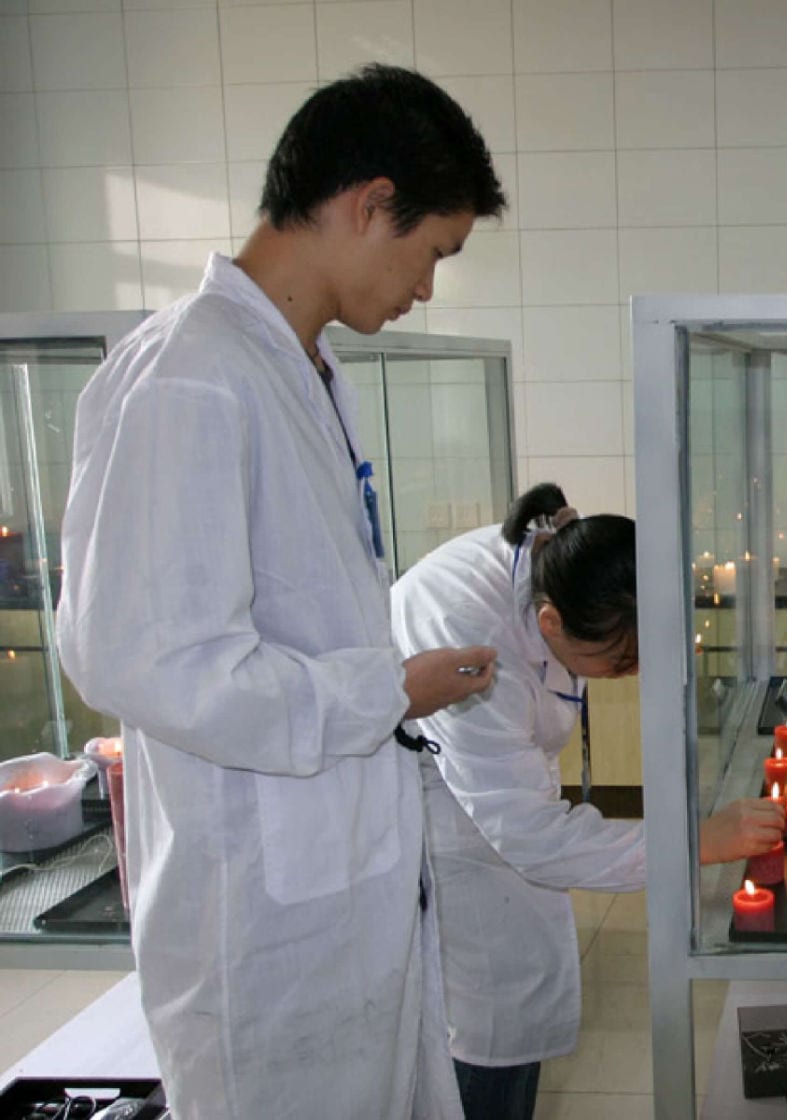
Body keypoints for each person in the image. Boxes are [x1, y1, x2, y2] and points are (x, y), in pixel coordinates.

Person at [55, 65, 507, 1120]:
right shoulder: (190, 375)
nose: (427, 288)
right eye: (432, 252)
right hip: (259, 927)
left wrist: (388, 689)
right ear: (367, 205)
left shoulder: (302, 368)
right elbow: (149, 661)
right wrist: (385, 691)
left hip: (343, 892)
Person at [389, 483, 785, 1120]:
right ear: (551, 624)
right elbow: (530, 836)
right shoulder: (465, 628)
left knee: (518, 997)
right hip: (433, 811)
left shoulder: (565, 578)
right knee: (488, 1014)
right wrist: (691, 845)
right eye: (621, 661)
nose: (631, 674)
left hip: (498, 792)